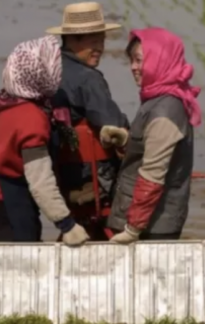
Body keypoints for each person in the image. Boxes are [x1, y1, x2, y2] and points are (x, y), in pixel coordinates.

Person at [0, 35, 89, 246]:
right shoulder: (32, 119)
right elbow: (40, 180)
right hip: (8, 206)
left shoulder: (7, 104)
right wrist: (67, 225)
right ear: (41, 72)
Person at [106, 27, 201, 243]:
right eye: (132, 60)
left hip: (153, 226)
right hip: (146, 219)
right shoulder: (157, 97)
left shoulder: (165, 112)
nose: (133, 67)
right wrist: (126, 140)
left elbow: (152, 175)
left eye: (139, 60)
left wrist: (132, 229)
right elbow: (151, 147)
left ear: (160, 60)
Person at [46, 2, 130, 241]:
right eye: (93, 41)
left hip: (59, 174)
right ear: (72, 40)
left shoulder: (49, 72)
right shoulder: (88, 79)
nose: (100, 48)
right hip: (90, 179)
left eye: (101, 40)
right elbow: (113, 123)